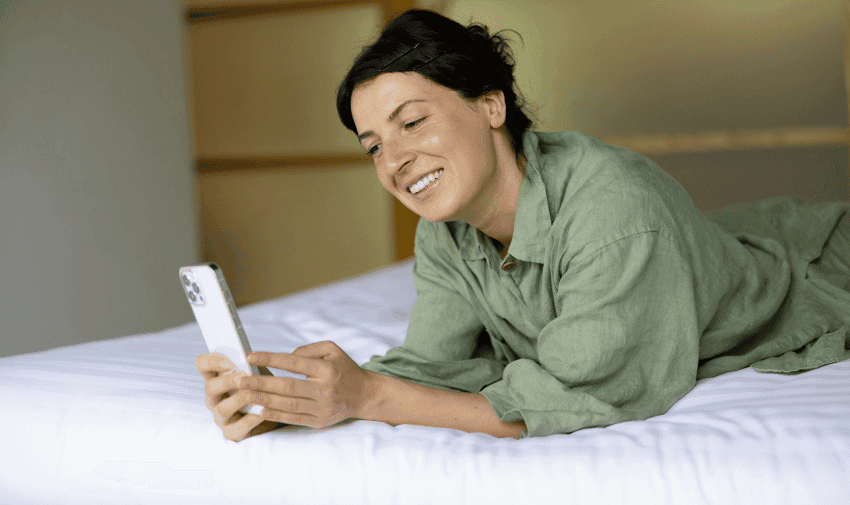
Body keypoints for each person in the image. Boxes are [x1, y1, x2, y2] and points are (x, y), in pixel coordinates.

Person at [195, 9, 850, 442]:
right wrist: (292, 403)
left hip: (824, 265)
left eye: (413, 122)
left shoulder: (612, 209)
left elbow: (577, 393)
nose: (394, 162)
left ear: (489, 105)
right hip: (719, 240)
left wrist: (368, 397)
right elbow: (434, 364)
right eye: (372, 145)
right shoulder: (445, 227)